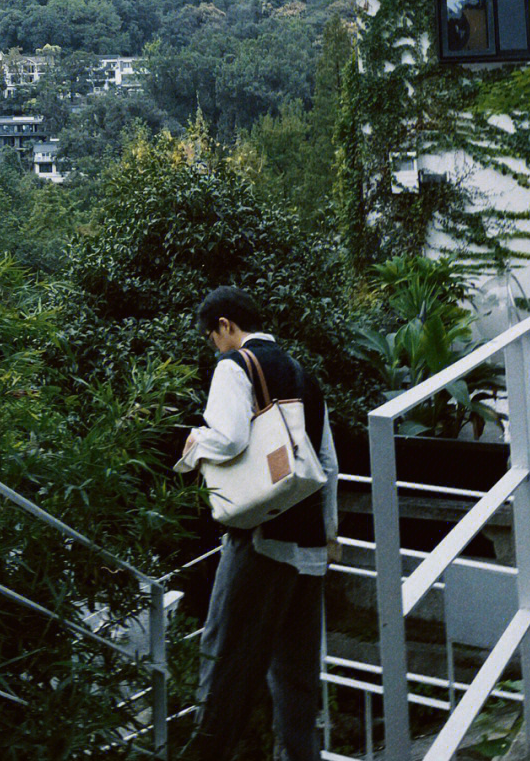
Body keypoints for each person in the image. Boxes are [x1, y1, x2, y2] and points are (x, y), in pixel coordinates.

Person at [176, 285, 339, 761]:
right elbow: (328, 462)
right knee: (296, 677)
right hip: (308, 552)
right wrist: (328, 537)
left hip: (260, 541)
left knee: (223, 658)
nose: (214, 347)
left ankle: (207, 754)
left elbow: (226, 440)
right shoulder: (302, 373)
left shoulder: (234, 366)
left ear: (225, 325)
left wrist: (195, 445)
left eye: (213, 337)